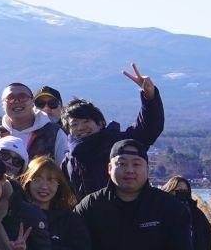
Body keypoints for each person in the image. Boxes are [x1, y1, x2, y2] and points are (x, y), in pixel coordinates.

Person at [62, 64, 165, 200]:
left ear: (100, 123)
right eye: (74, 124)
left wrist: (149, 97)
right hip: (85, 218)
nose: (80, 127)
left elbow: (148, 129)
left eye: (86, 121)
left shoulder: (118, 144)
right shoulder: (69, 160)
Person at [0, 82, 73, 165]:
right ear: (3, 105)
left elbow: (66, 173)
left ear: (32, 102)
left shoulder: (55, 133)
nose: (17, 101)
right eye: (10, 98)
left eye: (22, 97)